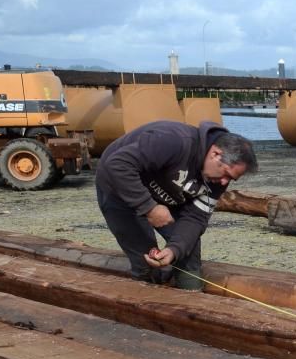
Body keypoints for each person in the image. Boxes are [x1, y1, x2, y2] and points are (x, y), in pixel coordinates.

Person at [95, 120, 257, 289]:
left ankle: (192, 298)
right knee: (146, 262)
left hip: (169, 193)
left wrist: (174, 249)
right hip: (119, 188)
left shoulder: (218, 180)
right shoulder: (172, 140)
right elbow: (117, 165)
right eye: (226, 174)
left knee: (188, 253)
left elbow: (196, 217)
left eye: (232, 179)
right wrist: (149, 207)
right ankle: (147, 294)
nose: (225, 182)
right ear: (215, 154)